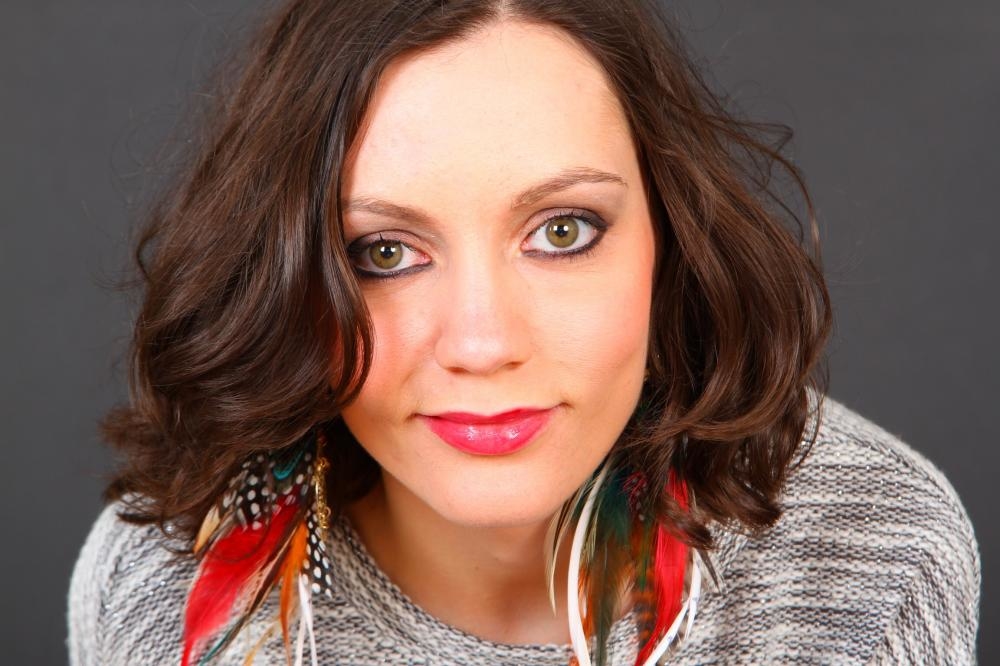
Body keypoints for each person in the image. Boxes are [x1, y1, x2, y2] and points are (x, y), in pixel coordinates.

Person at [67, 1, 981, 664]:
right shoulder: (161, 578)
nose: (482, 342)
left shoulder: (871, 551)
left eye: (563, 231)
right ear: (287, 276)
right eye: (384, 251)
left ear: (671, 239)